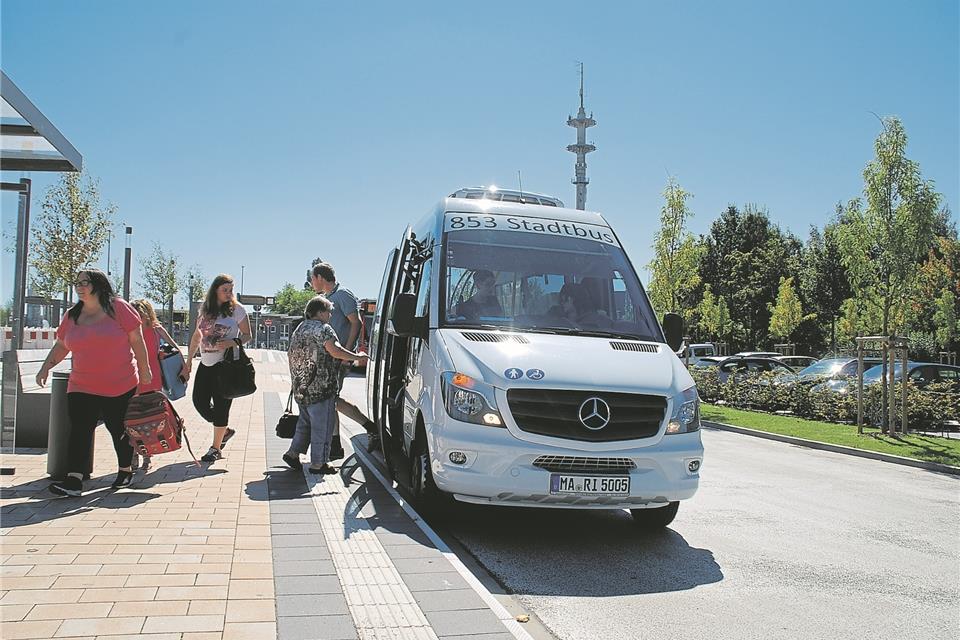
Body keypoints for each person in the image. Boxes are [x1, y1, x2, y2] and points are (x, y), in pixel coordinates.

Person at [36, 269, 153, 496]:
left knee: (118, 429)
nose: (79, 287)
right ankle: (74, 480)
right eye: (77, 282)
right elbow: (62, 345)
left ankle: (125, 470)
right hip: (81, 384)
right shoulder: (72, 315)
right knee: (80, 430)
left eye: (85, 282)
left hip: (119, 383)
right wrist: (45, 367)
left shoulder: (119, 308)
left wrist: (145, 369)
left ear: (99, 285)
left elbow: (137, 340)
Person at [284, 295, 368, 474]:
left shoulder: (300, 328)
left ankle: (293, 453)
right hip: (322, 387)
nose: (330, 315)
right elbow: (335, 351)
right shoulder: (324, 329)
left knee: (304, 423)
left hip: (301, 385)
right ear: (320, 312)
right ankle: (319, 463)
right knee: (323, 426)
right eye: (329, 312)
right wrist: (357, 357)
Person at [309, 262, 379, 454]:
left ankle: (367, 429)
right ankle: (336, 444)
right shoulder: (327, 298)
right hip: (329, 358)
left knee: (329, 399)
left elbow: (355, 323)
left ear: (321, 277)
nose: (311, 282)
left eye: (313, 278)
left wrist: (347, 355)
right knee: (330, 399)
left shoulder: (343, 294)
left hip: (339, 358)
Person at [183, 274, 251, 463]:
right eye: (225, 290)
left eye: (231, 290)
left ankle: (215, 448)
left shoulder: (237, 310)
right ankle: (225, 431)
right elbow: (197, 337)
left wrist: (232, 342)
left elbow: (247, 335)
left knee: (222, 406)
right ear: (215, 291)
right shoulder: (205, 310)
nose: (229, 294)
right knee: (199, 402)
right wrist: (188, 362)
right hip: (206, 363)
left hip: (226, 365)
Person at [130, 299, 182, 472]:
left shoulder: (156, 329)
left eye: (139, 311)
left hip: (153, 380)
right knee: (132, 419)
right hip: (132, 379)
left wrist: (184, 368)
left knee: (151, 418)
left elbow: (175, 348)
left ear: (147, 312)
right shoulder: (128, 329)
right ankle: (134, 453)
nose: (136, 315)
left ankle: (147, 454)